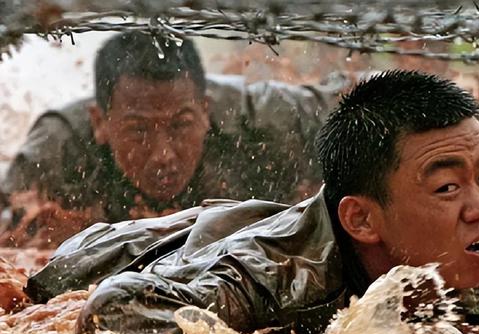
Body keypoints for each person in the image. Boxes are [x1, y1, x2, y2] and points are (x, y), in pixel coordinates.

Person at [21, 71, 479, 334]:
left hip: (265, 218)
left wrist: (444, 123)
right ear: (363, 219)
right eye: (447, 189)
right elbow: (112, 310)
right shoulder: (275, 280)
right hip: (129, 253)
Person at [0, 32, 337, 247]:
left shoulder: (267, 124)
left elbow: (370, 101)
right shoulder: (58, 151)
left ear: (205, 111)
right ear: (100, 123)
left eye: (180, 126)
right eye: (139, 130)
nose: (163, 154)